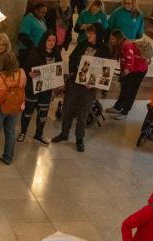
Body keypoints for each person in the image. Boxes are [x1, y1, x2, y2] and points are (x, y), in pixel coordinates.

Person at [52, 24, 111, 152]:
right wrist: (73, 72)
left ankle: (79, 139)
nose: (88, 35)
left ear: (98, 35)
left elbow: (105, 71)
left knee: (83, 113)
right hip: (74, 83)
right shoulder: (83, 44)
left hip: (89, 87)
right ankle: (64, 133)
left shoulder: (105, 50)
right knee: (67, 109)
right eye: (88, 32)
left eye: (91, 33)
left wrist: (92, 82)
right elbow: (72, 59)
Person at [19, 32, 60, 143]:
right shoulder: (35, 52)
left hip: (47, 90)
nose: (51, 43)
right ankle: (23, 132)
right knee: (28, 111)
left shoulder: (56, 53)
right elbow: (26, 68)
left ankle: (39, 134)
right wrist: (29, 73)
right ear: (44, 40)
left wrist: (58, 83)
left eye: (53, 40)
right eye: (49, 40)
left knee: (43, 113)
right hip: (33, 88)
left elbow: (58, 70)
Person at [0, 51, 26, 164]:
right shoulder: (22, 73)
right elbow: (23, 87)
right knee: (10, 132)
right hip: (15, 107)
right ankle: (8, 157)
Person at [107, 28, 148, 118]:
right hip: (131, 69)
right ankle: (118, 107)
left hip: (138, 70)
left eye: (113, 39)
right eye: (110, 38)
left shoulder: (126, 45)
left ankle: (125, 112)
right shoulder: (119, 45)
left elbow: (130, 59)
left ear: (118, 39)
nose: (111, 41)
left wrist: (126, 70)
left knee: (131, 91)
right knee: (124, 88)